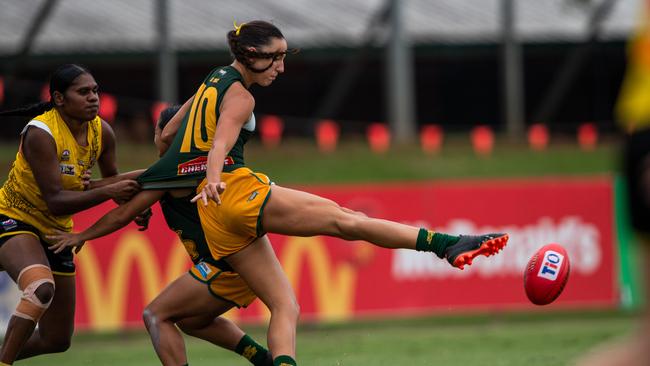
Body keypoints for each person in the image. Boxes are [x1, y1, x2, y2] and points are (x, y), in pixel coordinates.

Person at [50, 21, 509, 366]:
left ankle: (271, 361)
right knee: (343, 220)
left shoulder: (201, 99)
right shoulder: (239, 96)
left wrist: (84, 234)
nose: (281, 67)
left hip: (218, 224)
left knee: (279, 305)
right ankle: (445, 245)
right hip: (233, 189)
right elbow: (224, 138)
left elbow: (164, 139)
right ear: (249, 54)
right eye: (275, 58)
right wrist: (211, 172)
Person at [49, 105, 274, 366]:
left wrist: (81, 236)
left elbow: (123, 213)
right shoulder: (191, 164)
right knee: (191, 320)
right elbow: (142, 177)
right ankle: (262, 358)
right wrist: (97, 185)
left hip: (224, 266)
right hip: (239, 264)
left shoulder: (173, 173)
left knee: (155, 315)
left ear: (163, 134)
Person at [0, 64, 141, 365]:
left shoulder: (102, 131)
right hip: (14, 218)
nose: (93, 98)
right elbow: (56, 200)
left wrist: (132, 206)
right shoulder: (41, 132)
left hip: (55, 231)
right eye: (83, 92)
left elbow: (112, 178)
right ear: (59, 99)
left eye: (95, 91)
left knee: (57, 339)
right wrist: (109, 194)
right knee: (40, 288)